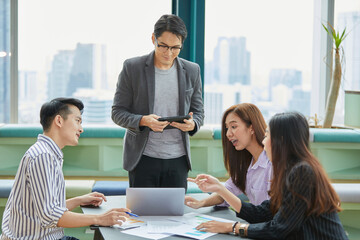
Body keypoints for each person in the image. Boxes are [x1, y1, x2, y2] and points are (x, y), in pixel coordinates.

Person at [190, 112, 348, 239]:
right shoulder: (291, 171)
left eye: (266, 135)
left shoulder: (302, 172)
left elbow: (279, 229)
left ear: (281, 141)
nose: (264, 141)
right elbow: (262, 213)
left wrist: (233, 227)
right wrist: (220, 188)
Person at [1, 98, 131, 240]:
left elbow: (45, 208)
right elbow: (51, 216)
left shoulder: (49, 153)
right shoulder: (43, 156)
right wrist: (100, 219)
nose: (81, 129)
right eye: (77, 121)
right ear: (59, 121)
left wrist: (78, 200)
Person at [111, 14, 204, 189]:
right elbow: (117, 112)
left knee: (175, 216)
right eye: (163, 46)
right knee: (142, 215)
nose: (169, 53)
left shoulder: (192, 70)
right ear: (153, 38)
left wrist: (193, 124)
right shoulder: (132, 68)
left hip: (178, 160)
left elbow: (199, 113)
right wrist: (142, 120)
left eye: (176, 48)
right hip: (143, 158)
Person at [185, 103, 272, 209]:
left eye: (234, 127)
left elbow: (270, 213)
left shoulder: (271, 163)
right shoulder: (246, 163)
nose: (228, 134)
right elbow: (227, 191)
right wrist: (201, 203)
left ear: (252, 128)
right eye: (227, 128)